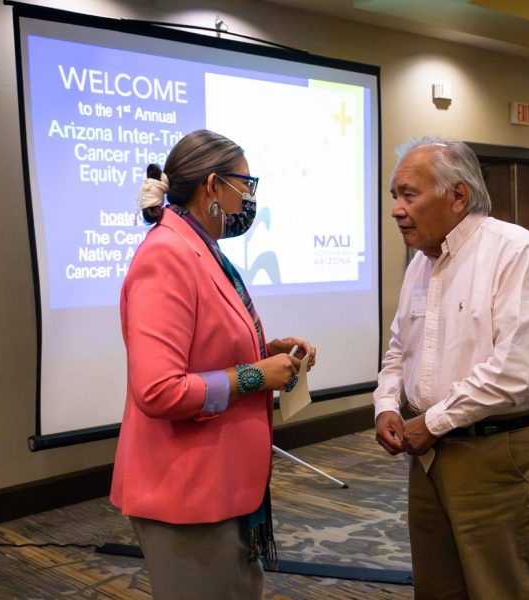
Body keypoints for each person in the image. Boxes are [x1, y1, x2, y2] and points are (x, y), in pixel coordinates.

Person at [110, 129, 316, 600]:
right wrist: (253, 376)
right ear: (212, 185)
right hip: (186, 491)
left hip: (221, 485)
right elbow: (159, 389)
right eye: (246, 185)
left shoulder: (200, 245)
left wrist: (266, 352)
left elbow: (206, 347)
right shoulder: (167, 254)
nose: (250, 197)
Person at [374, 136, 529, 599]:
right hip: (428, 454)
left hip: (494, 450)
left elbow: (515, 371)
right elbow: (400, 347)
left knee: (499, 589)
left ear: (458, 196)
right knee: (437, 587)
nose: (397, 209)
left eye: (409, 195)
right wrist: (384, 405)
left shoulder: (517, 252)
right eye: (394, 196)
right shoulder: (421, 263)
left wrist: (431, 422)